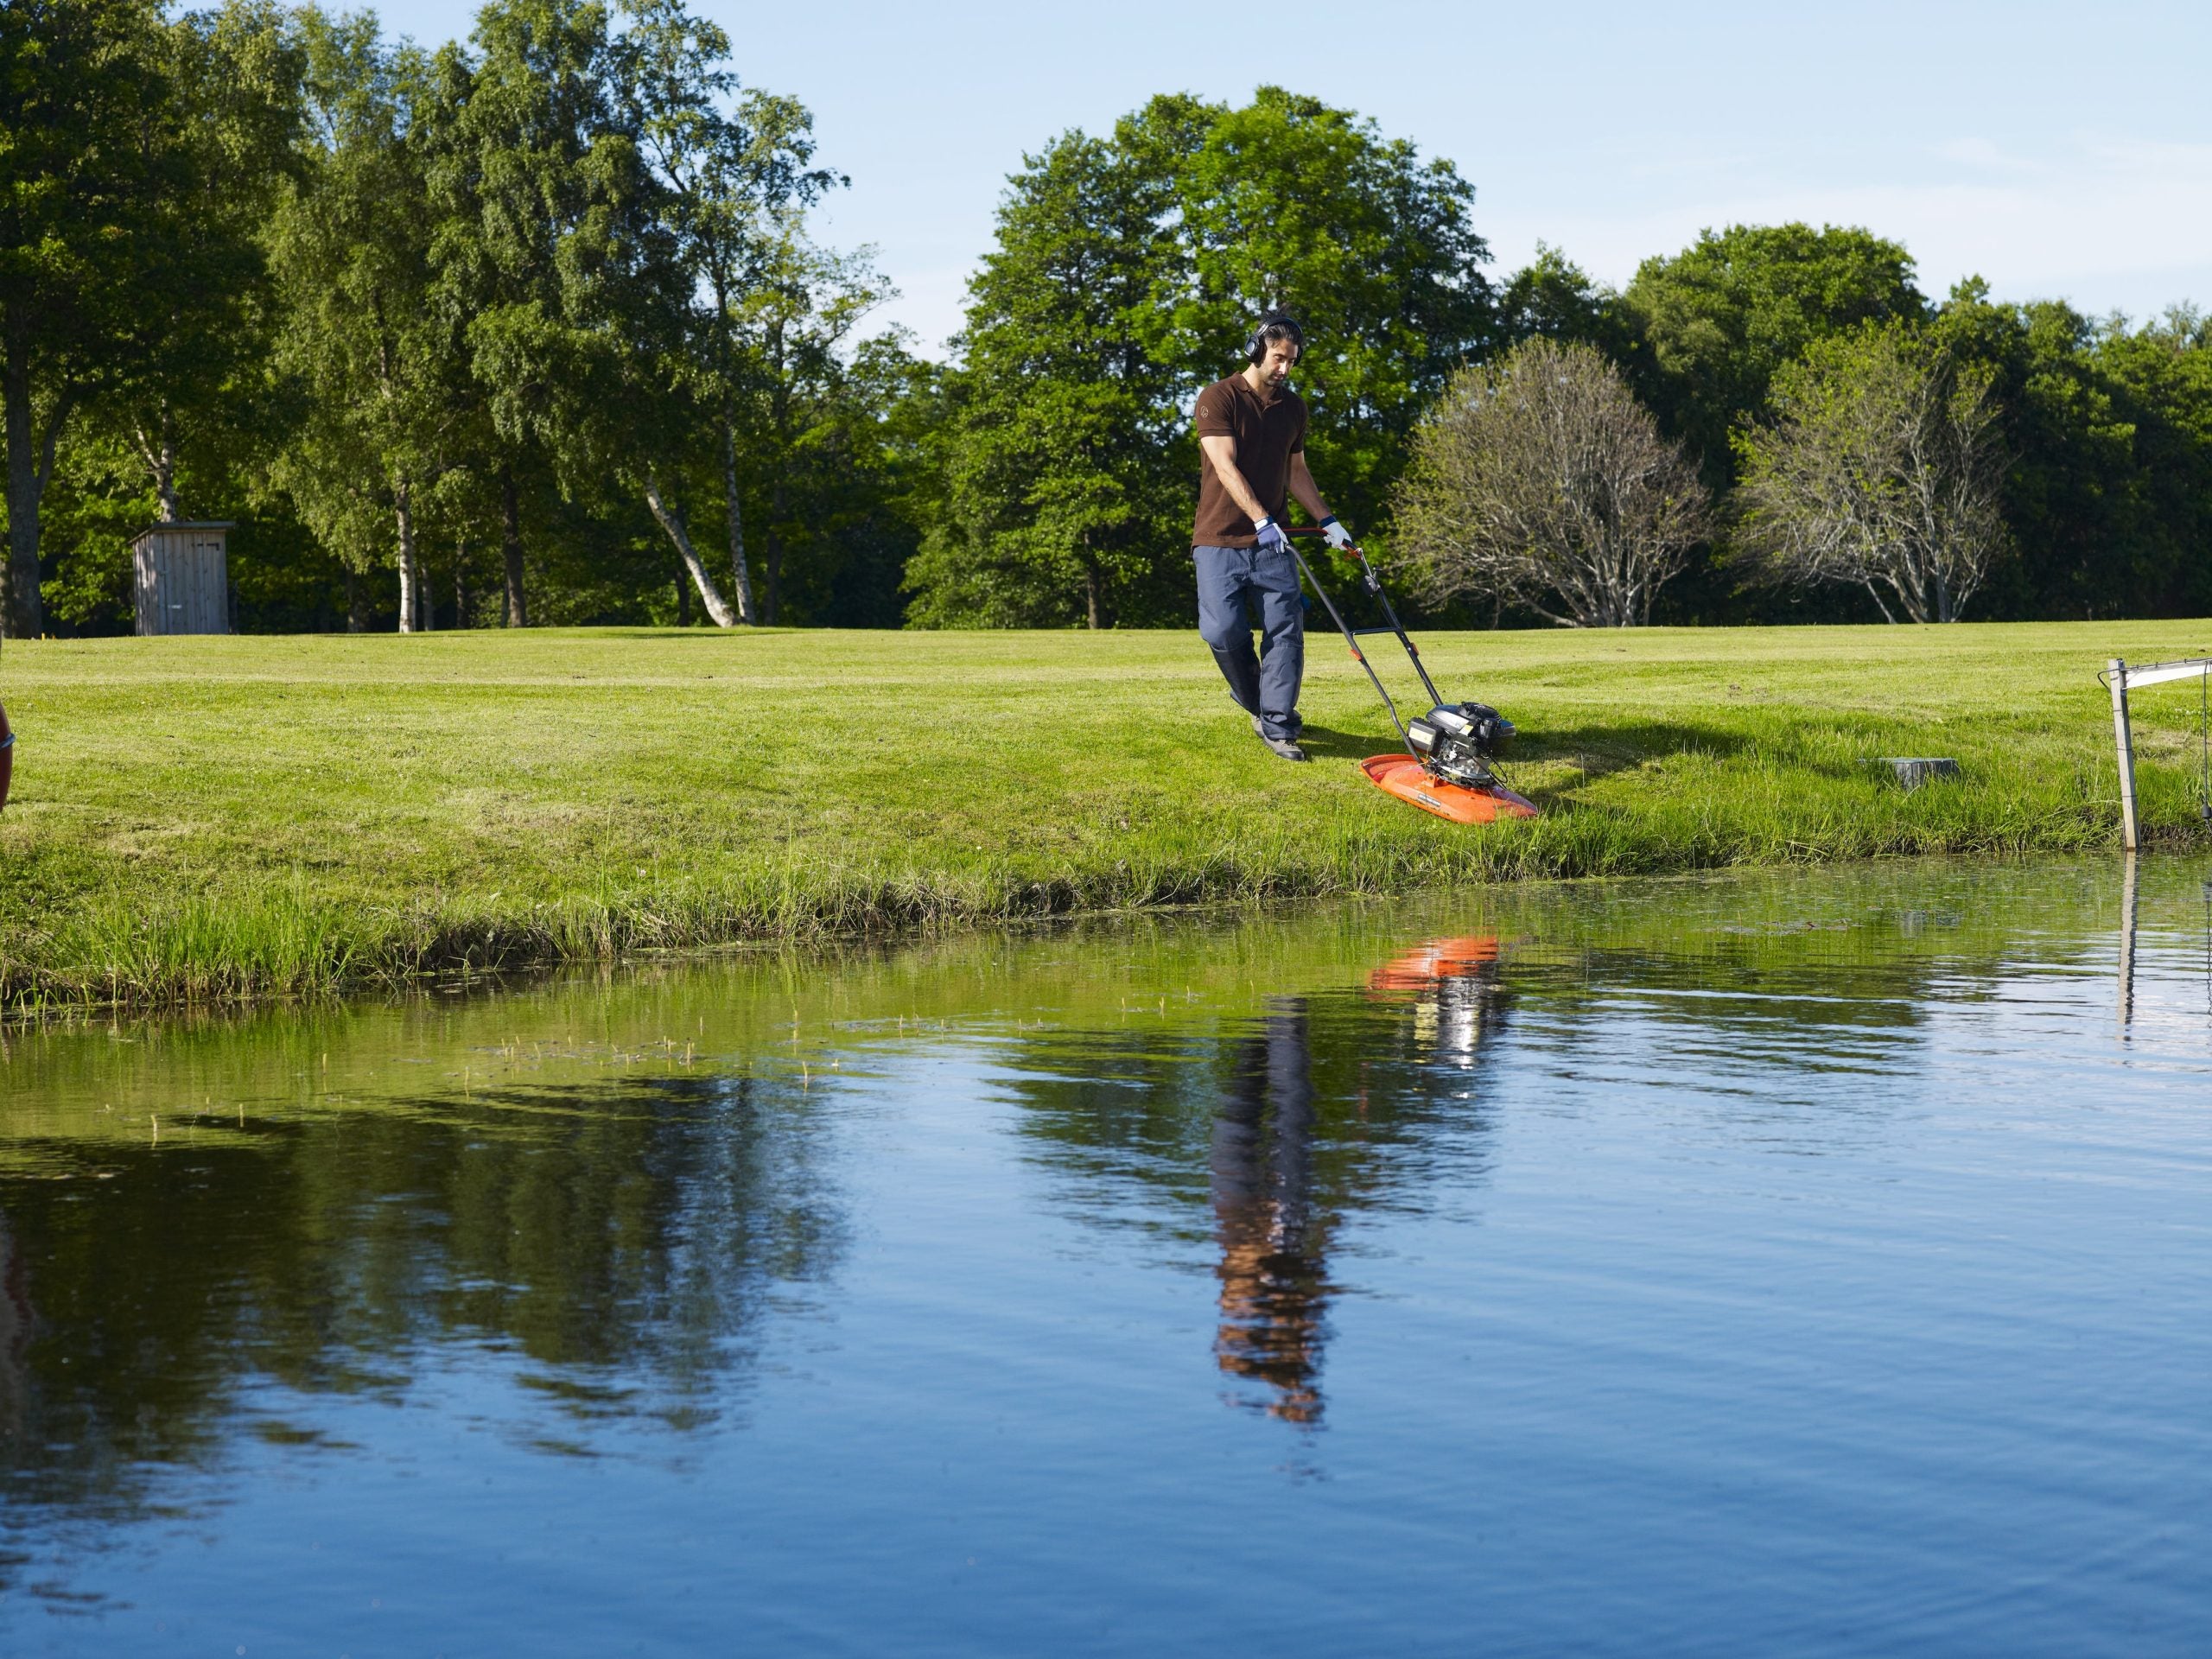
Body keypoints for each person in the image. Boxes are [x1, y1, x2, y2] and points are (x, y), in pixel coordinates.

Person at [1191, 313, 1354, 762]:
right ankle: (1253, 700)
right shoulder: (1218, 398)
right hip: (1219, 539)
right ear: (1257, 349)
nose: (1285, 369)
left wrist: (1328, 521)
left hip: (1273, 543)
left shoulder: (1294, 409)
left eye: (1292, 362)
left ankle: (1280, 727)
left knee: (1286, 631)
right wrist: (1262, 519)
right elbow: (1225, 467)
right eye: (1279, 358)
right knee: (1222, 630)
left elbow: (1295, 472)